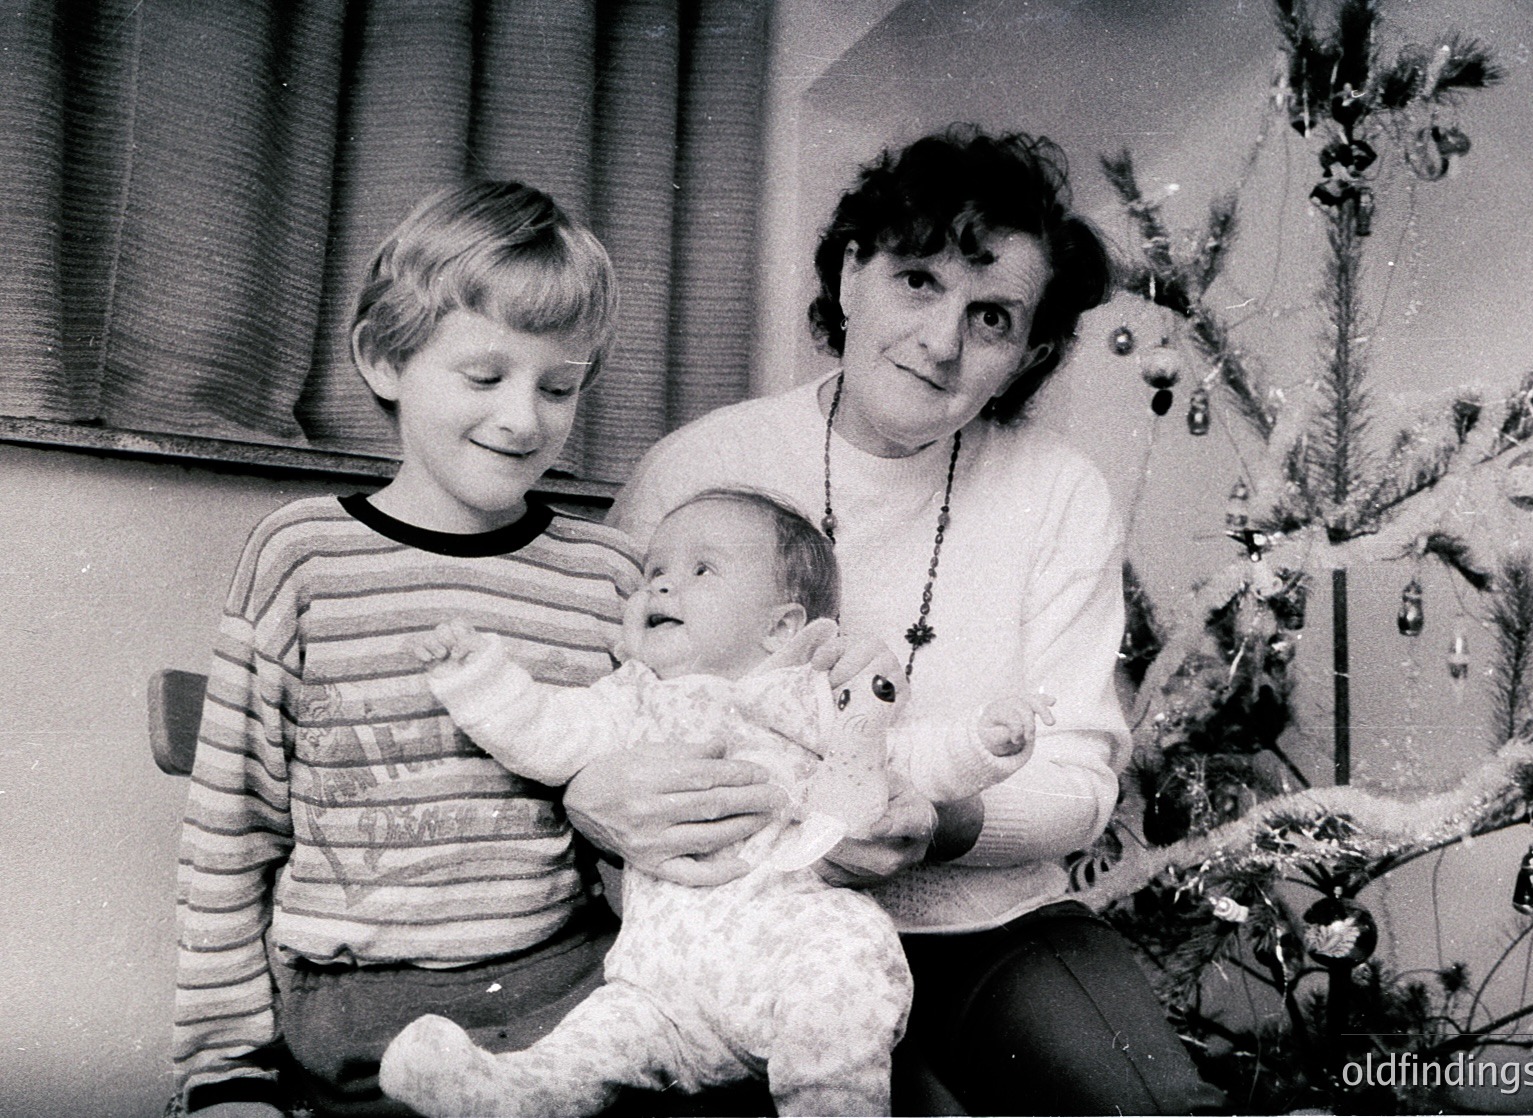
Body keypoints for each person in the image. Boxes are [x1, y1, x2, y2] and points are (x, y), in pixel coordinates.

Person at [592, 126, 1228, 1115]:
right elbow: (596, 714)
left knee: (1147, 1103)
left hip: (993, 926)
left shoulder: (1059, 492)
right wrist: (606, 801)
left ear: (1025, 356)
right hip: (752, 931)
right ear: (851, 273)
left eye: (992, 317)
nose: (942, 341)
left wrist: (942, 821)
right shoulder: (699, 467)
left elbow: (1076, 781)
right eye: (918, 281)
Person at [170, 180, 655, 1118]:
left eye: (560, 387)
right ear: (385, 360)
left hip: (578, 982)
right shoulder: (300, 558)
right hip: (363, 1008)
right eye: (485, 377)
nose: (524, 418)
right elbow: (230, 834)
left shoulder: (613, 576)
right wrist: (223, 1071)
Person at [378, 488, 1055, 1116]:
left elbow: (907, 760)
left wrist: (985, 740)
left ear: (780, 626)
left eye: (701, 571)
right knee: (592, 1046)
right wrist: (473, 675)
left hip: (791, 943)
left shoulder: (806, 697)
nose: (662, 584)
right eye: (654, 572)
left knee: (846, 975)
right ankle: (502, 1092)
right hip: (660, 985)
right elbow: (541, 732)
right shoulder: (630, 698)